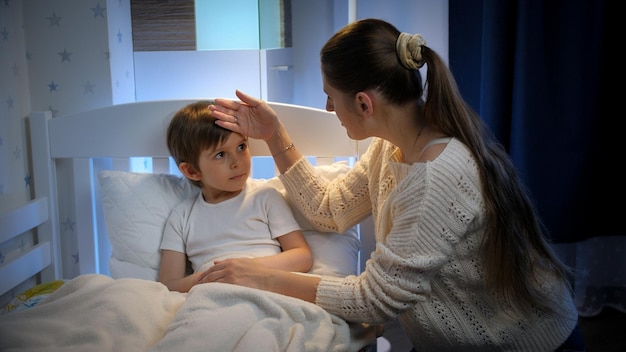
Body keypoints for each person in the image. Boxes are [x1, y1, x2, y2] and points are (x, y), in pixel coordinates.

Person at [202, 19, 582, 351]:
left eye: (331, 98)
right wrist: (274, 135)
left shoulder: (436, 175)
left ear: (365, 104)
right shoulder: (391, 147)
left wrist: (262, 275)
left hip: (516, 343)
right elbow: (330, 212)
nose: (330, 109)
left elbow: (376, 298)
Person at [158, 101, 313, 293]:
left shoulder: (265, 197)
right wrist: (211, 276)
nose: (237, 162)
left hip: (265, 287)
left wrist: (249, 270)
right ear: (191, 170)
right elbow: (168, 285)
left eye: (241, 147)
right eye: (221, 154)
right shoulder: (181, 217)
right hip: (211, 294)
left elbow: (302, 256)